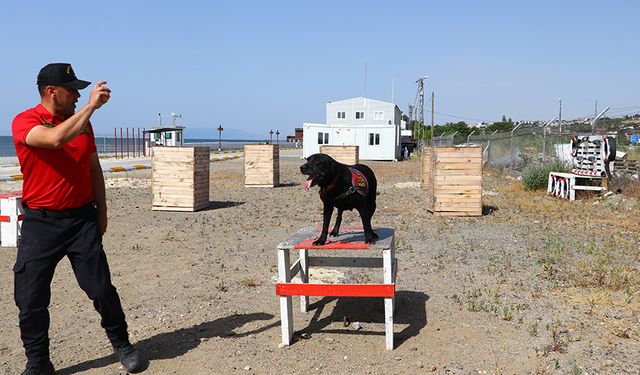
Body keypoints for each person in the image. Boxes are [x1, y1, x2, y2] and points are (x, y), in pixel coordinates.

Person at [11, 63, 143, 375]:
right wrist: (90, 107)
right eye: (72, 90)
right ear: (50, 91)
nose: (77, 95)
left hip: (82, 220)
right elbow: (54, 139)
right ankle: (38, 362)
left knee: (100, 288)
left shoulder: (82, 124)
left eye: (79, 91)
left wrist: (103, 212)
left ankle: (122, 343)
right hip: (40, 224)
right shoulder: (26, 121)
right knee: (30, 298)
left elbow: (94, 168)